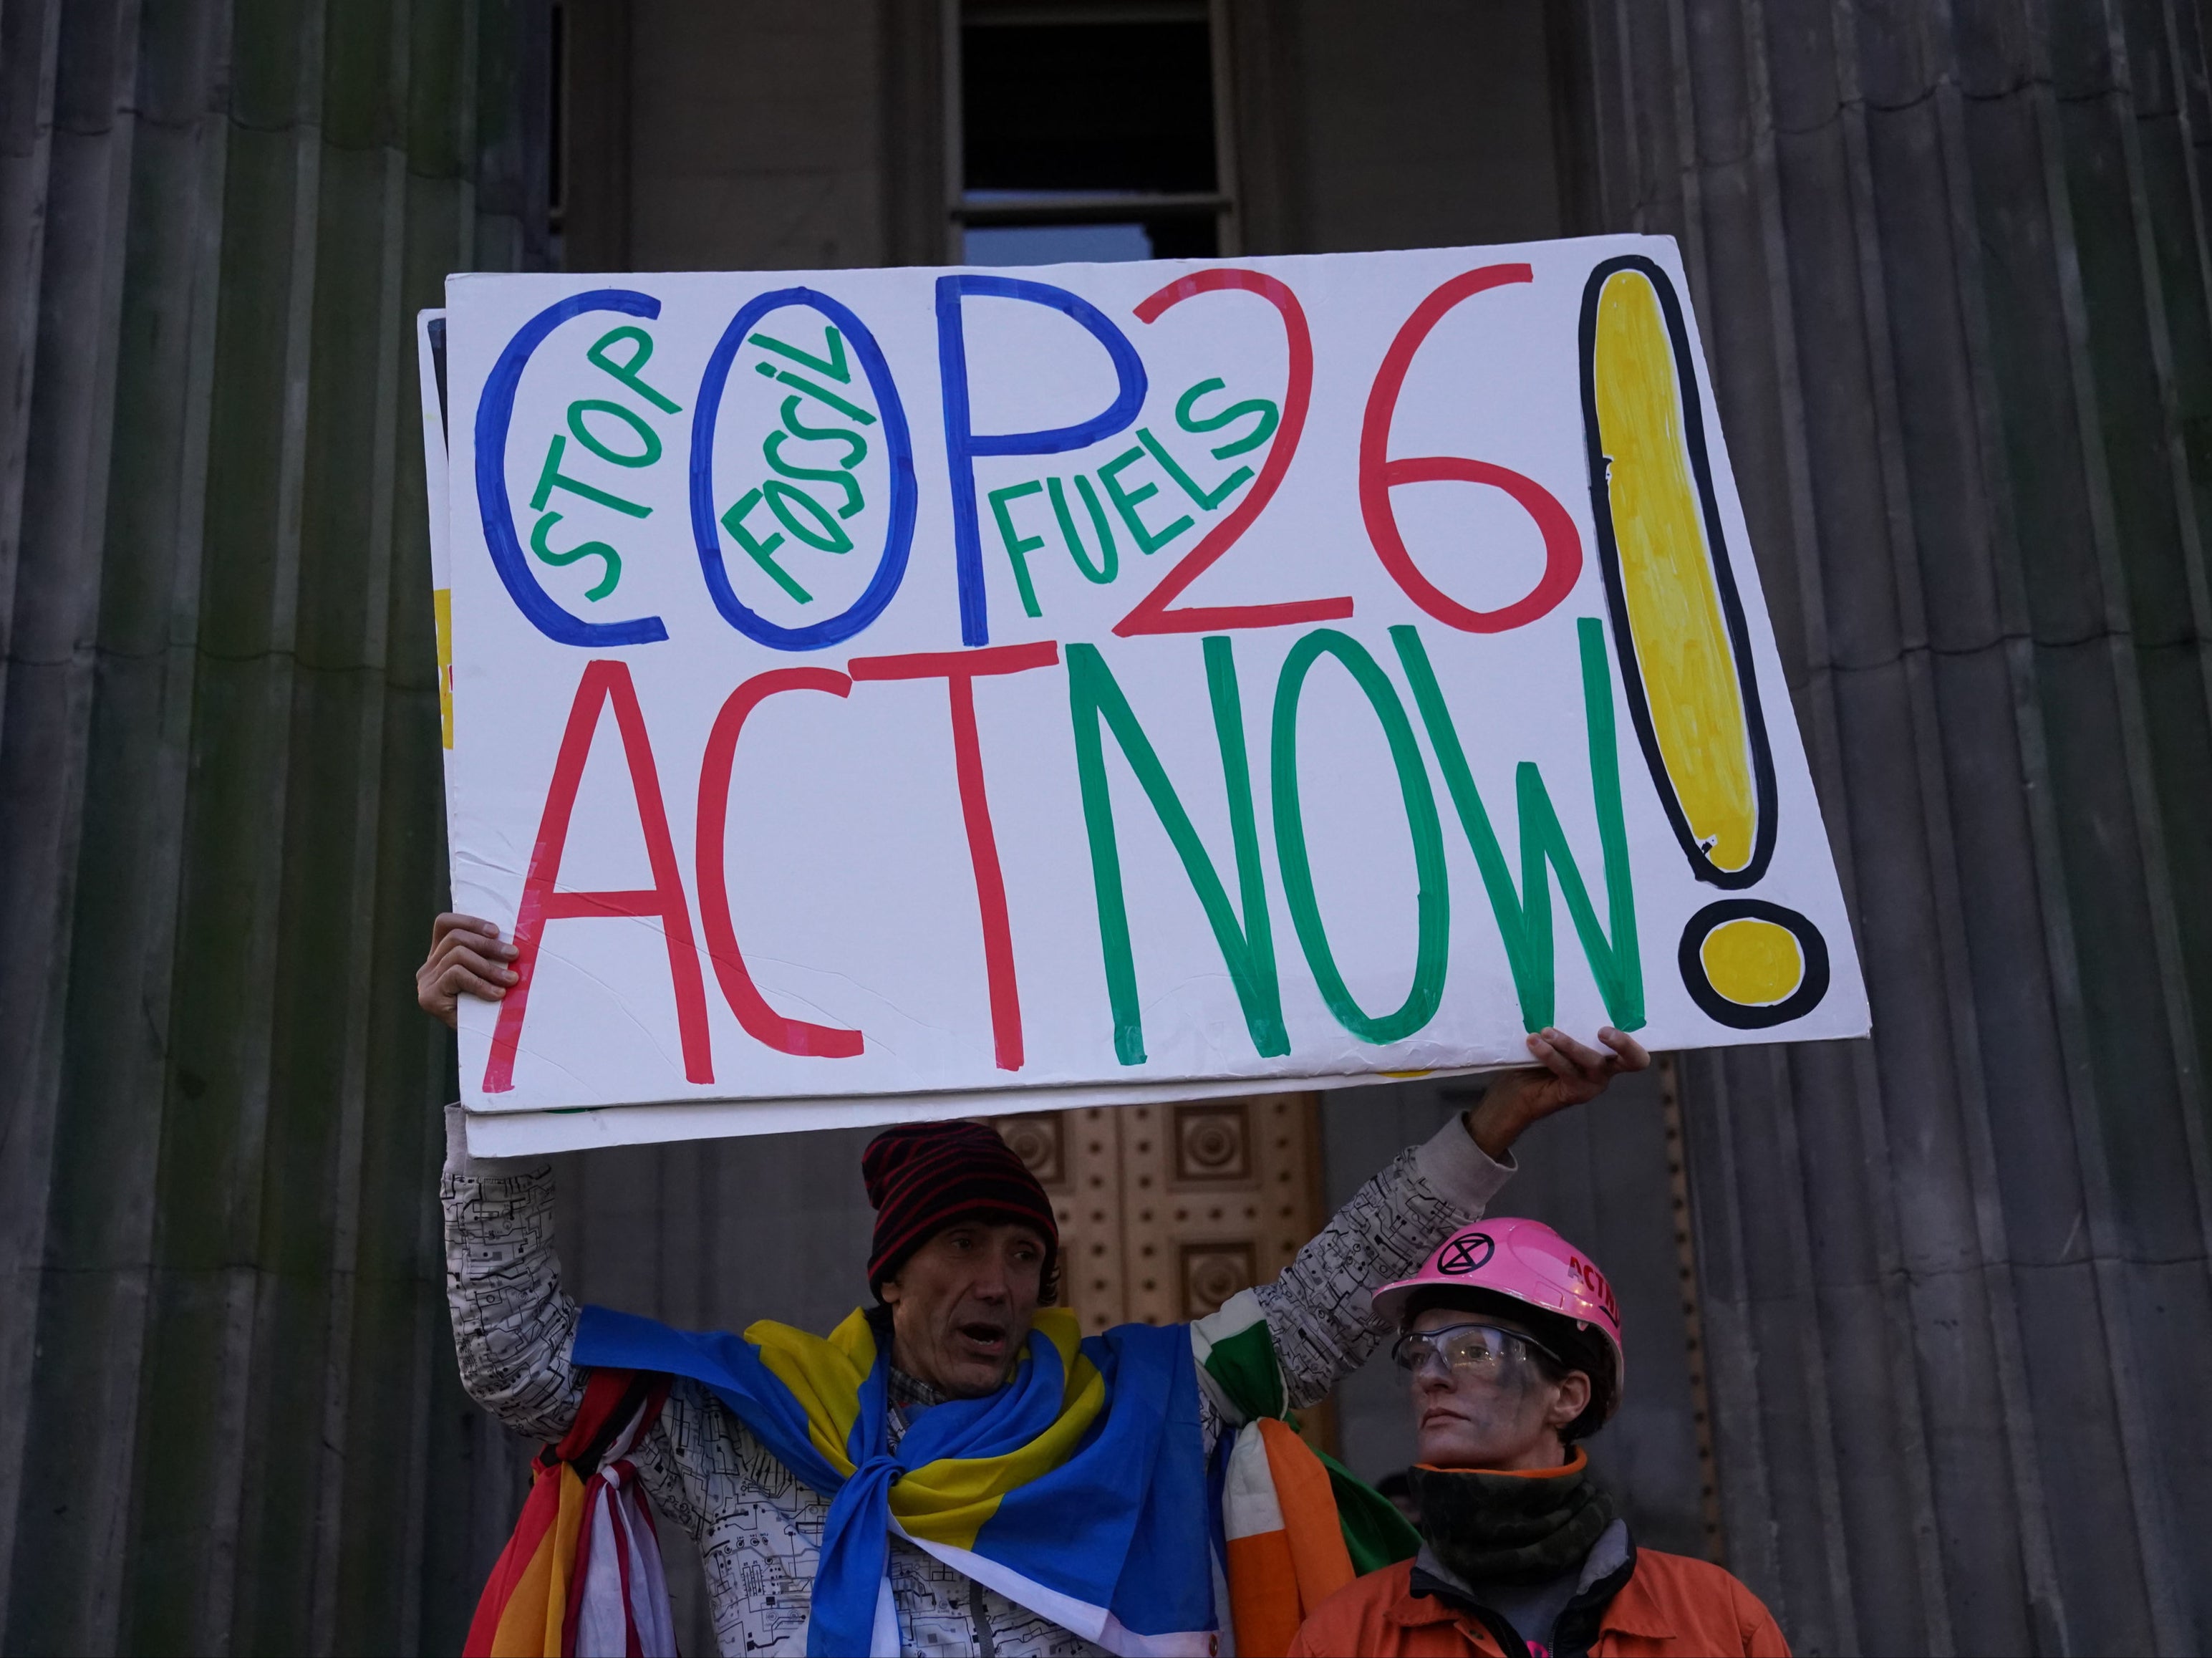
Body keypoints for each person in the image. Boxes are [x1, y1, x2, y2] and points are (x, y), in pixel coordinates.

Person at [418, 911, 1651, 1657]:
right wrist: (497, 1080)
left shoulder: (1125, 1414)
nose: (1000, 1282)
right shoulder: (741, 1422)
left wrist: (1489, 1127)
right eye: (962, 1248)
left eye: (1022, 1257)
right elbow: (515, 1357)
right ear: (890, 1273)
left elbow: (1322, 1308)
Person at [1287, 1220, 1787, 1658]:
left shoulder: (1719, 1618)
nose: (1429, 1377)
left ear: (1567, 1396)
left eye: (1472, 1349)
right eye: (1417, 1353)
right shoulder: (1344, 1637)